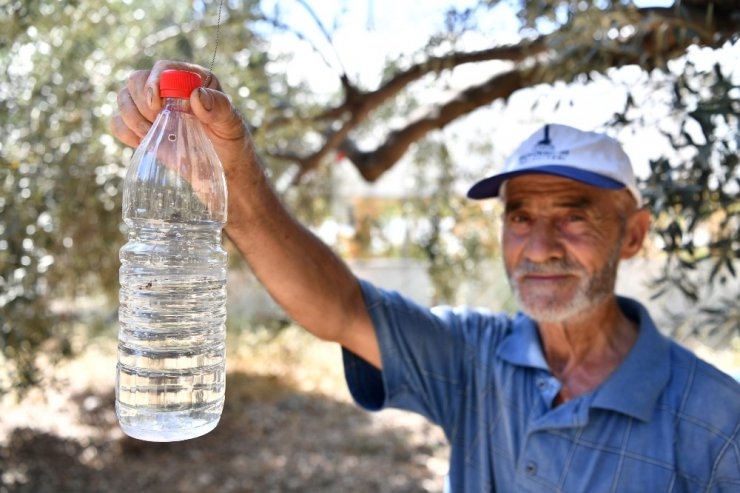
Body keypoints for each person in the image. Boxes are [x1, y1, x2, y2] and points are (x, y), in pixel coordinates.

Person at [112, 61, 740, 492]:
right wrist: (230, 175)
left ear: (632, 234)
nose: (540, 246)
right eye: (520, 216)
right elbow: (338, 310)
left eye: (573, 217)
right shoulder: (477, 357)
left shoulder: (717, 421)